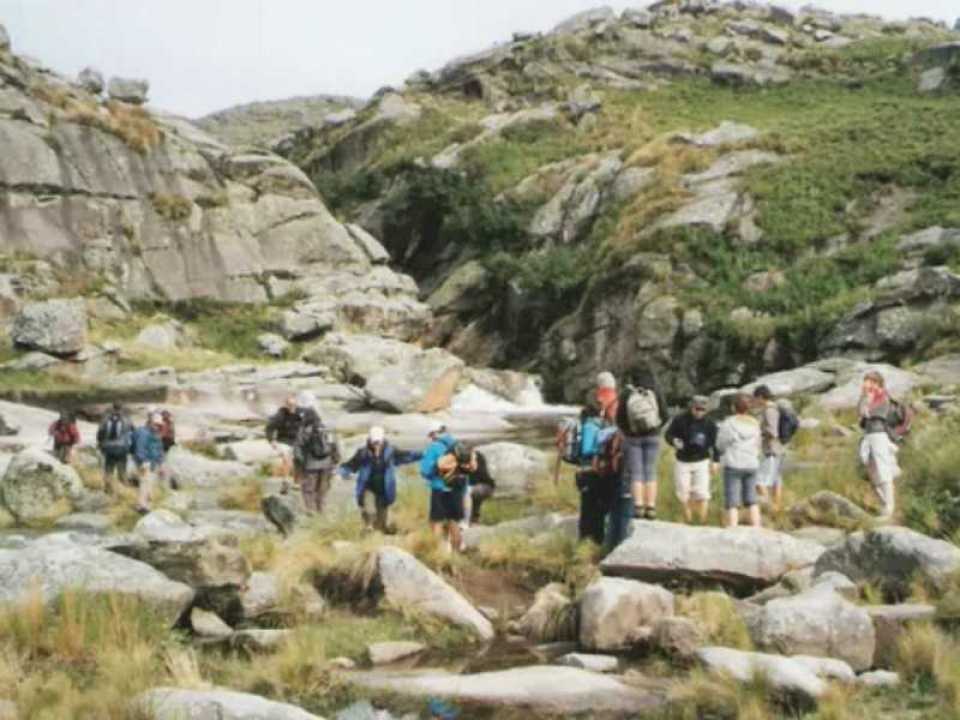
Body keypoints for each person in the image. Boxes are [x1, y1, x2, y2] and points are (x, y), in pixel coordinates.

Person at [339, 426, 422, 532]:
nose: (376, 445)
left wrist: (423, 454)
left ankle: (378, 534)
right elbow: (350, 465)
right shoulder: (363, 453)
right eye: (374, 442)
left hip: (385, 489)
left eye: (378, 442)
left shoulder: (391, 451)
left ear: (383, 440)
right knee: (369, 510)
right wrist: (344, 472)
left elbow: (408, 456)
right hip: (367, 487)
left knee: (380, 524)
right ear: (370, 440)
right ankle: (368, 527)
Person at [615, 367, 669, 520]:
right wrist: (656, 427)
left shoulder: (627, 393)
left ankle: (638, 507)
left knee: (637, 473)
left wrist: (628, 431)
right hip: (653, 436)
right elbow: (665, 414)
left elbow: (619, 418)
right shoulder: (655, 391)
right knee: (650, 471)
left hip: (633, 438)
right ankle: (650, 507)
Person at [665, 395, 719, 524]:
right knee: (683, 493)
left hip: (702, 460)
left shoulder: (710, 424)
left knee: (702, 494)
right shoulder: (680, 419)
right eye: (697, 409)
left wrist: (716, 461)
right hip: (683, 460)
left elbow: (716, 444)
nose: (699, 412)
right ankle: (688, 521)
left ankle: (702, 521)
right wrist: (674, 441)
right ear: (691, 407)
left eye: (702, 410)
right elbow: (668, 434)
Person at [857, 370, 901, 519]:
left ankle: (889, 508)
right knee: (870, 469)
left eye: (868, 381)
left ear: (876, 383)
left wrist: (867, 401)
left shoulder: (883, 397)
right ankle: (883, 504)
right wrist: (864, 397)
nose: (865, 384)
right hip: (869, 435)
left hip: (879, 435)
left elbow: (870, 414)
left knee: (883, 469)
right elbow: (860, 414)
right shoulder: (869, 396)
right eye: (865, 381)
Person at [717, 394, 762, 528]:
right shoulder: (754, 423)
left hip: (734, 463)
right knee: (752, 500)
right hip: (751, 463)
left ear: (733, 407)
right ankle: (757, 528)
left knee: (732, 501)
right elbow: (758, 443)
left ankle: (733, 529)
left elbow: (720, 444)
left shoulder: (729, 423)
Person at [573, 401, 615, 545]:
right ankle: (593, 540)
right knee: (594, 509)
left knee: (588, 509)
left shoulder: (586, 425)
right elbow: (587, 450)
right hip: (592, 472)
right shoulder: (594, 426)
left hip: (584, 473)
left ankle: (587, 540)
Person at [420, 422, 463, 553]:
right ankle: (456, 556)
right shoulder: (457, 445)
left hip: (439, 489)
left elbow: (425, 471)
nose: (430, 437)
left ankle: (439, 556)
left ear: (434, 433)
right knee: (454, 523)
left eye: (430, 434)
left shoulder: (433, 447)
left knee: (436, 522)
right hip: (456, 490)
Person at [293, 410, 339, 515]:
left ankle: (311, 510)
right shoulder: (327, 429)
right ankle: (321, 511)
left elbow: (298, 448)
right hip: (327, 464)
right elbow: (335, 445)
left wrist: (301, 461)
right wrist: (336, 460)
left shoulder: (305, 430)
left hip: (310, 465)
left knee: (309, 489)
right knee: (323, 489)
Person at [753, 385, 785, 512]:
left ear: (761, 397)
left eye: (755, 398)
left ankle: (769, 508)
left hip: (771, 450)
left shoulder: (769, 410)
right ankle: (777, 508)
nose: (754, 401)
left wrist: (759, 431)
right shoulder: (774, 408)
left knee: (759, 481)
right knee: (776, 480)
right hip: (778, 450)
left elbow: (773, 432)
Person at [266, 395, 303, 493]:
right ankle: (285, 481)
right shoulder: (280, 414)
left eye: (293, 405)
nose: (291, 407)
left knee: (299, 460)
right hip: (283, 440)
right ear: (286, 405)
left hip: (298, 441)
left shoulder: (302, 414)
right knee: (287, 458)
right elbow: (269, 427)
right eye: (289, 405)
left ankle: (297, 483)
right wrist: (272, 441)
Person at [131, 412, 165, 514]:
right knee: (144, 482)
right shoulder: (143, 433)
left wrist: (161, 464)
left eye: (159, 425)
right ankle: (141, 506)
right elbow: (140, 450)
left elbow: (159, 449)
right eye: (156, 424)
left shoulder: (156, 434)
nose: (158, 427)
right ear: (150, 422)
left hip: (153, 463)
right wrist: (143, 463)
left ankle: (147, 504)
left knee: (149, 482)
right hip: (144, 463)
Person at [96, 402, 133, 495]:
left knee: (108, 469)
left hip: (108, 448)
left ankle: (108, 490)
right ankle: (124, 491)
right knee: (122, 470)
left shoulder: (106, 419)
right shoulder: (127, 419)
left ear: (113, 408)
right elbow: (133, 431)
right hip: (121, 448)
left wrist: (101, 444)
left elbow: (100, 433)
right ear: (121, 408)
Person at [462, 449, 495, 527]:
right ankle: (470, 520)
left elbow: (481, 475)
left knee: (469, 491)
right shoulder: (457, 461)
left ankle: (469, 521)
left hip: (485, 486)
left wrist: (472, 465)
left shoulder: (478, 457)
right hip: (471, 488)